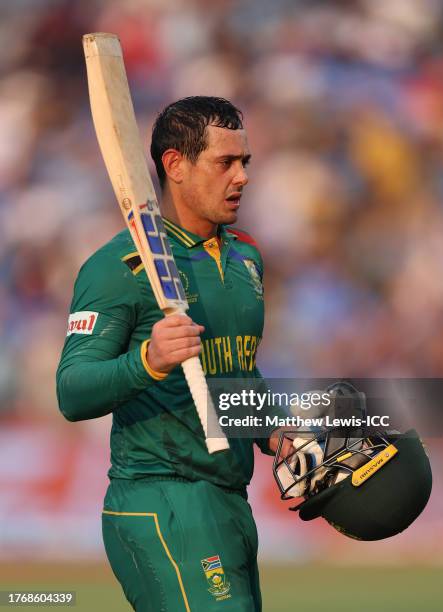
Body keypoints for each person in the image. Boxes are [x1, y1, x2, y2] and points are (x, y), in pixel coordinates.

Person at [56, 96, 285, 612]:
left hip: (230, 499)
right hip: (159, 499)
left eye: (245, 161)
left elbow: (236, 371)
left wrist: (273, 432)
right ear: (175, 165)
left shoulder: (245, 256)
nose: (242, 176)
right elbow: (71, 390)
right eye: (225, 162)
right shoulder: (119, 265)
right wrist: (149, 361)